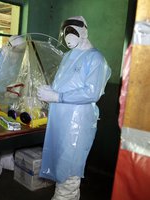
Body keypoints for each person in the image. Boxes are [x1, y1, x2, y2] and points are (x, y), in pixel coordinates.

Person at [37, 16, 111, 200]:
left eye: (72, 31)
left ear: (84, 31)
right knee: (60, 168)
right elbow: (64, 84)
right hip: (60, 120)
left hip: (77, 125)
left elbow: (92, 93)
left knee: (69, 172)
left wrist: (57, 96)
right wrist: (50, 92)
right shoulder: (69, 56)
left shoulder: (96, 59)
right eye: (65, 32)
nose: (68, 36)